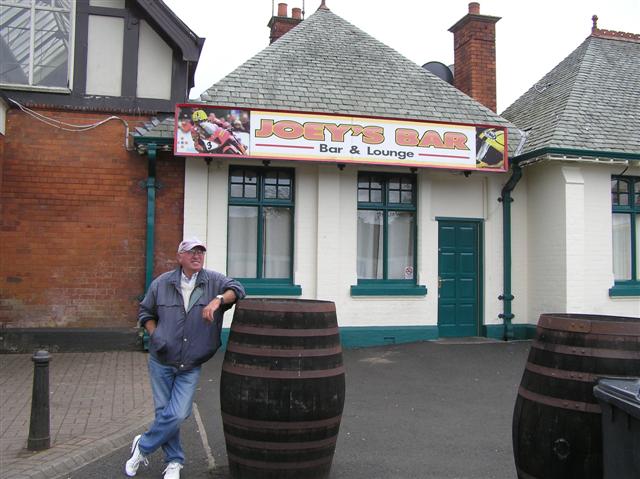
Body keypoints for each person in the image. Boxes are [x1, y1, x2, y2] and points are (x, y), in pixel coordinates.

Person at [125, 238, 245, 479]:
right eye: (191, 252)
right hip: (161, 359)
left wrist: (218, 299)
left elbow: (238, 289)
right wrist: (155, 334)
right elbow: (145, 312)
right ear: (180, 257)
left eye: (200, 252)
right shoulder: (162, 283)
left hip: (190, 363)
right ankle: (174, 461)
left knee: (178, 413)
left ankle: (143, 445)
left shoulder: (214, 281)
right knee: (164, 413)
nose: (197, 256)